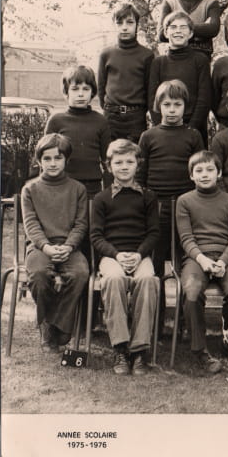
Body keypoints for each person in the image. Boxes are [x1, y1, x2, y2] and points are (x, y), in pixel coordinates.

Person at [90, 139, 159, 375]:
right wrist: (116, 255)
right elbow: (96, 236)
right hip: (112, 256)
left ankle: (139, 351)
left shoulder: (148, 197)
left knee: (148, 280)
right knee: (113, 279)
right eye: (118, 162)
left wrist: (139, 255)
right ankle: (120, 348)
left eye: (129, 162)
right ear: (109, 167)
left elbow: (154, 233)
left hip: (140, 255)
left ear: (138, 164)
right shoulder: (101, 199)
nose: (124, 167)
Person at [175, 150, 228, 372]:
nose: (204, 174)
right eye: (199, 170)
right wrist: (203, 260)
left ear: (219, 173)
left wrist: (223, 261)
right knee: (192, 291)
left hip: (227, 258)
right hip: (197, 258)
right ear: (191, 175)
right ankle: (200, 351)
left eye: (210, 169)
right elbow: (186, 239)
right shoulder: (184, 201)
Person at [21, 133, 89, 353]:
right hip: (40, 247)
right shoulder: (30, 189)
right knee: (39, 274)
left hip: (70, 247)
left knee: (80, 273)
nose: (52, 163)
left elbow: (80, 224)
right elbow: (31, 224)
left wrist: (69, 246)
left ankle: (58, 323)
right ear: (39, 160)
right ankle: (49, 326)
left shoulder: (78, 189)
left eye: (58, 158)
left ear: (66, 160)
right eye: (47, 158)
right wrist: (46, 247)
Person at [137, 80, 204, 278]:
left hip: (185, 205)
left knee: (185, 253)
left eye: (177, 104)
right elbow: (140, 175)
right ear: (158, 106)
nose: (172, 110)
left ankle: (184, 296)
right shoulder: (148, 136)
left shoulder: (193, 136)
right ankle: (157, 296)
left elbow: (200, 171)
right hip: (157, 205)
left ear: (185, 106)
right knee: (156, 256)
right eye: (167, 104)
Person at [45, 65, 110, 197]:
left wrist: (109, 194)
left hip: (92, 188)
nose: (81, 94)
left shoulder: (101, 121)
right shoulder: (56, 121)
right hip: (62, 186)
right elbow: (45, 158)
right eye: (75, 89)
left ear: (92, 92)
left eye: (86, 89)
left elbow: (107, 161)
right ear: (66, 92)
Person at [148, 11, 212, 143]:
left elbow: (204, 99)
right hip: (165, 129)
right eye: (173, 27)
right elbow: (153, 99)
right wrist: (161, 127)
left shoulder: (200, 60)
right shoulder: (158, 63)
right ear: (166, 33)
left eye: (183, 27)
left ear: (191, 33)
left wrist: (191, 130)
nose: (178, 31)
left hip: (194, 130)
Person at [97, 3, 154, 142]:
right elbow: (101, 88)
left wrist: (139, 112)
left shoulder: (147, 55)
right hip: (111, 117)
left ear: (137, 25)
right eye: (119, 23)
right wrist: (110, 109)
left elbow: (150, 90)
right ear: (114, 25)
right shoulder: (106, 54)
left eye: (129, 22)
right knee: (110, 154)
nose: (124, 27)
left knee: (134, 153)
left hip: (135, 119)